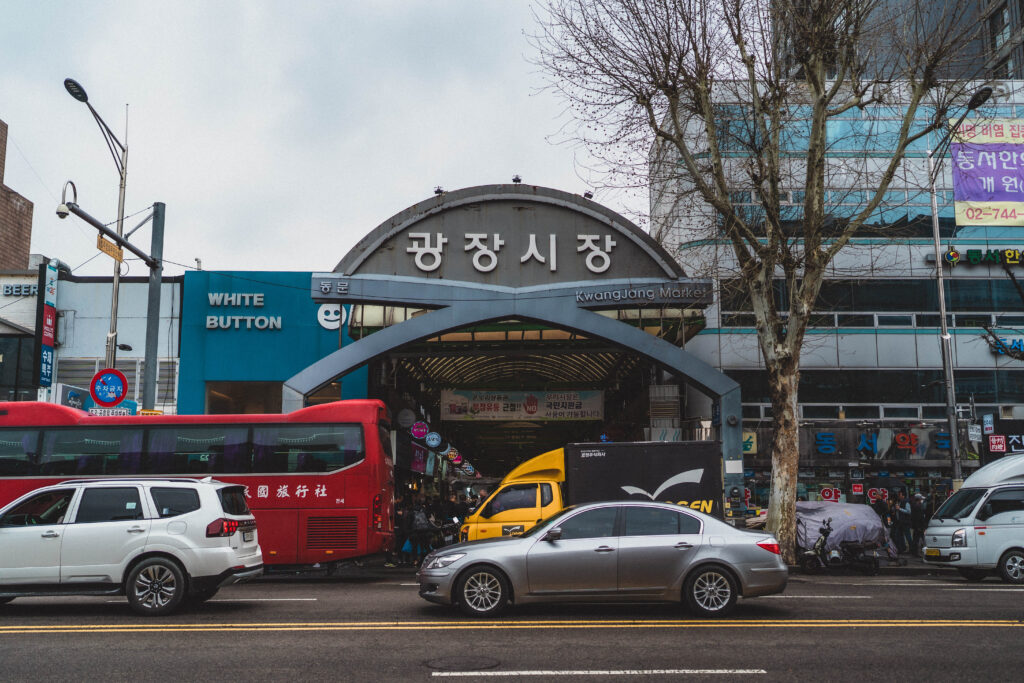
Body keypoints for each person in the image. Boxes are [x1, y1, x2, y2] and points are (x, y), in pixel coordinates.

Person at [892, 490, 912, 554]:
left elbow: (909, 511)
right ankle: (902, 548)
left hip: (905, 522)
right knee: (899, 535)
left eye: (900, 494)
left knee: (907, 536)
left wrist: (899, 509)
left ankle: (911, 549)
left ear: (903, 495)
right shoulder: (899, 502)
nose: (899, 496)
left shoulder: (906, 502)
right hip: (900, 522)